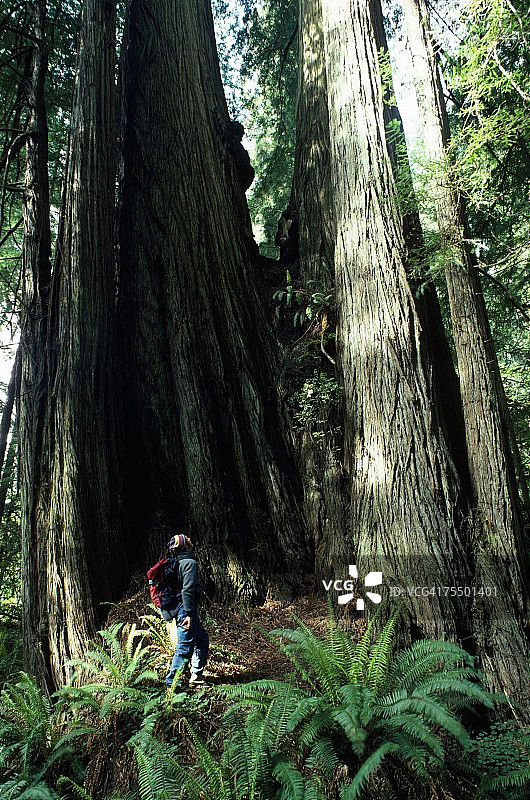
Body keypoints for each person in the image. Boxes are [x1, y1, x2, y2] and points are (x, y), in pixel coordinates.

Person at [163, 534, 209, 688]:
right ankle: (172, 682)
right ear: (185, 545)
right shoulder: (189, 563)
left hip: (183, 608)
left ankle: (196, 676)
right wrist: (189, 614)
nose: (190, 539)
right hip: (186, 610)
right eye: (187, 539)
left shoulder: (177, 562)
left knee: (201, 640)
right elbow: (187, 589)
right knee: (184, 646)